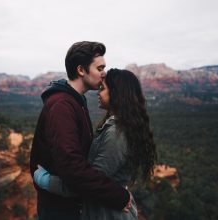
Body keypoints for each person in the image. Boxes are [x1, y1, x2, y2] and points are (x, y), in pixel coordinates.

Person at [34, 68, 158, 219]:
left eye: (103, 89)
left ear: (117, 94)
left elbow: (89, 183)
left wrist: (45, 180)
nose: (98, 93)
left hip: (109, 214)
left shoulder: (117, 134)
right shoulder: (117, 127)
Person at [29, 42, 132, 220]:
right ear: (81, 70)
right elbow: (72, 167)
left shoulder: (75, 101)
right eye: (99, 68)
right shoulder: (62, 105)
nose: (104, 73)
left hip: (71, 203)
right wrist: (118, 195)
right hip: (60, 209)